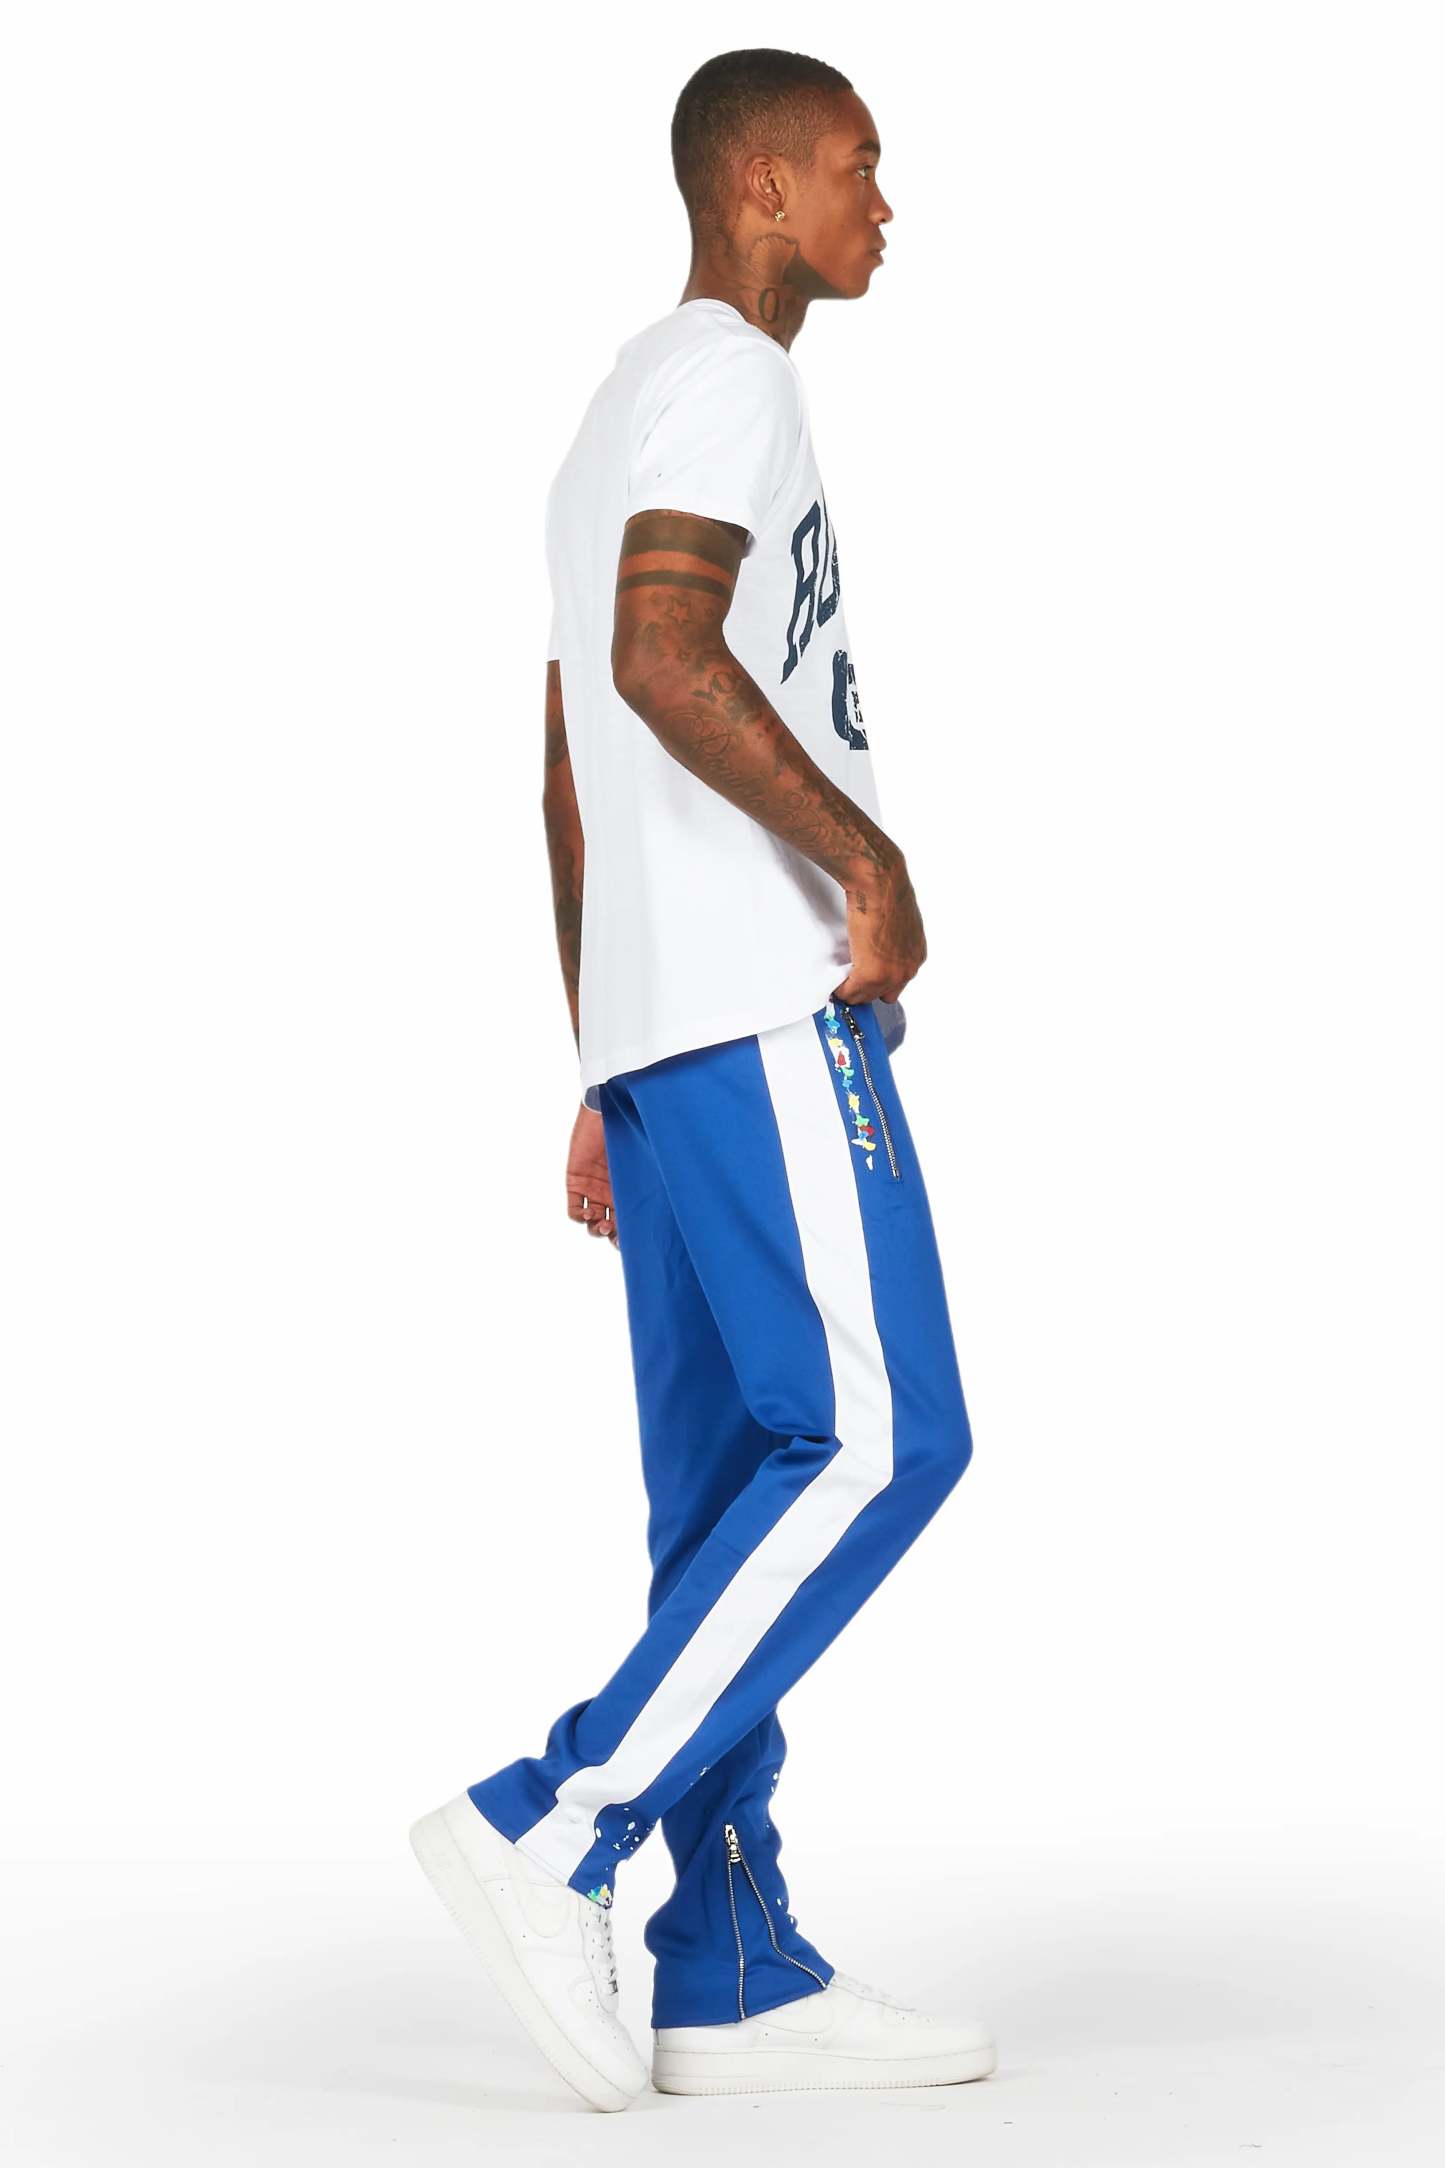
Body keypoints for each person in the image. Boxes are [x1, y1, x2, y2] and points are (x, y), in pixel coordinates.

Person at [410, 46, 994, 2112]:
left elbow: (564, 771)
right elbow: (662, 662)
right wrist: (870, 859)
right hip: (757, 998)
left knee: (737, 1483)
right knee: (880, 1437)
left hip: (663, 1035)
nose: (882, 205)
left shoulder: (610, 418)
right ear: (760, 188)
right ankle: (555, 1822)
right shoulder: (731, 378)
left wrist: (599, 1058)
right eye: (856, 168)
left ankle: (725, 1953)